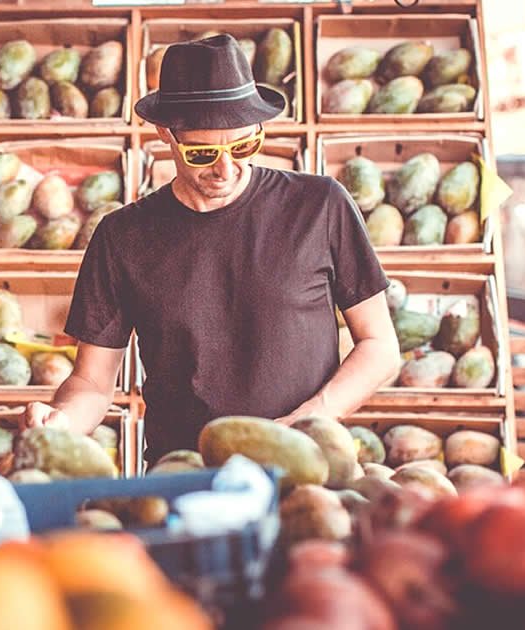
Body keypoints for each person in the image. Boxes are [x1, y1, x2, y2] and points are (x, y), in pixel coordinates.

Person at [22, 35, 401, 463]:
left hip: (306, 467)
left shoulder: (320, 206)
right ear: (166, 134)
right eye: (202, 152)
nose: (225, 169)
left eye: (243, 146)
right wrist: (60, 421)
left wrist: (309, 421)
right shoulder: (122, 236)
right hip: (184, 473)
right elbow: (92, 382)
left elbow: (380, 346)